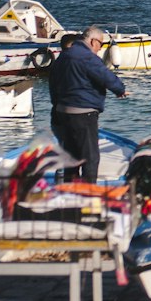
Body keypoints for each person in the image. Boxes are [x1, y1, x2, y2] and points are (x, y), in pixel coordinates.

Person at [47, 24, 128, 182]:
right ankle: (88, 192)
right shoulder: (87, 57)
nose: (100, 48)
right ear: (92, 41)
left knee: (71, 156)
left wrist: (56, 106)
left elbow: (53, 83)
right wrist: (120, 90)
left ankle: (71, 190)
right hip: (84, 114)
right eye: (101, 44)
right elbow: (106, 77)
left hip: (63, 112)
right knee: (90, 157)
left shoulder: (64, 56)